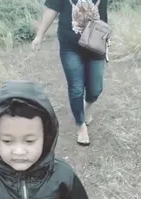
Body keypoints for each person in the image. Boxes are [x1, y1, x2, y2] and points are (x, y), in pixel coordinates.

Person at [32, 0, 109, 146]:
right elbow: (52, 10)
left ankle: (87, 106)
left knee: (96, 89)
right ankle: (81, 125)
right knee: (76, 87)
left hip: (96, 43)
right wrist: (39, 35)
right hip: (70, 47)